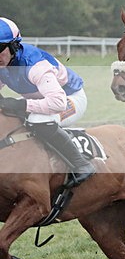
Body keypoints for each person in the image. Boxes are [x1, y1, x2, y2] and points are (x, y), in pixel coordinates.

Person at [0, 17, 95, 187]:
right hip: (40, 100)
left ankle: (81, 164)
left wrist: (22, 105)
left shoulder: (35, 66)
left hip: (69, 98)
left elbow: (57, 103)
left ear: (14, 46)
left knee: (39, 120)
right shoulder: (3, 62)